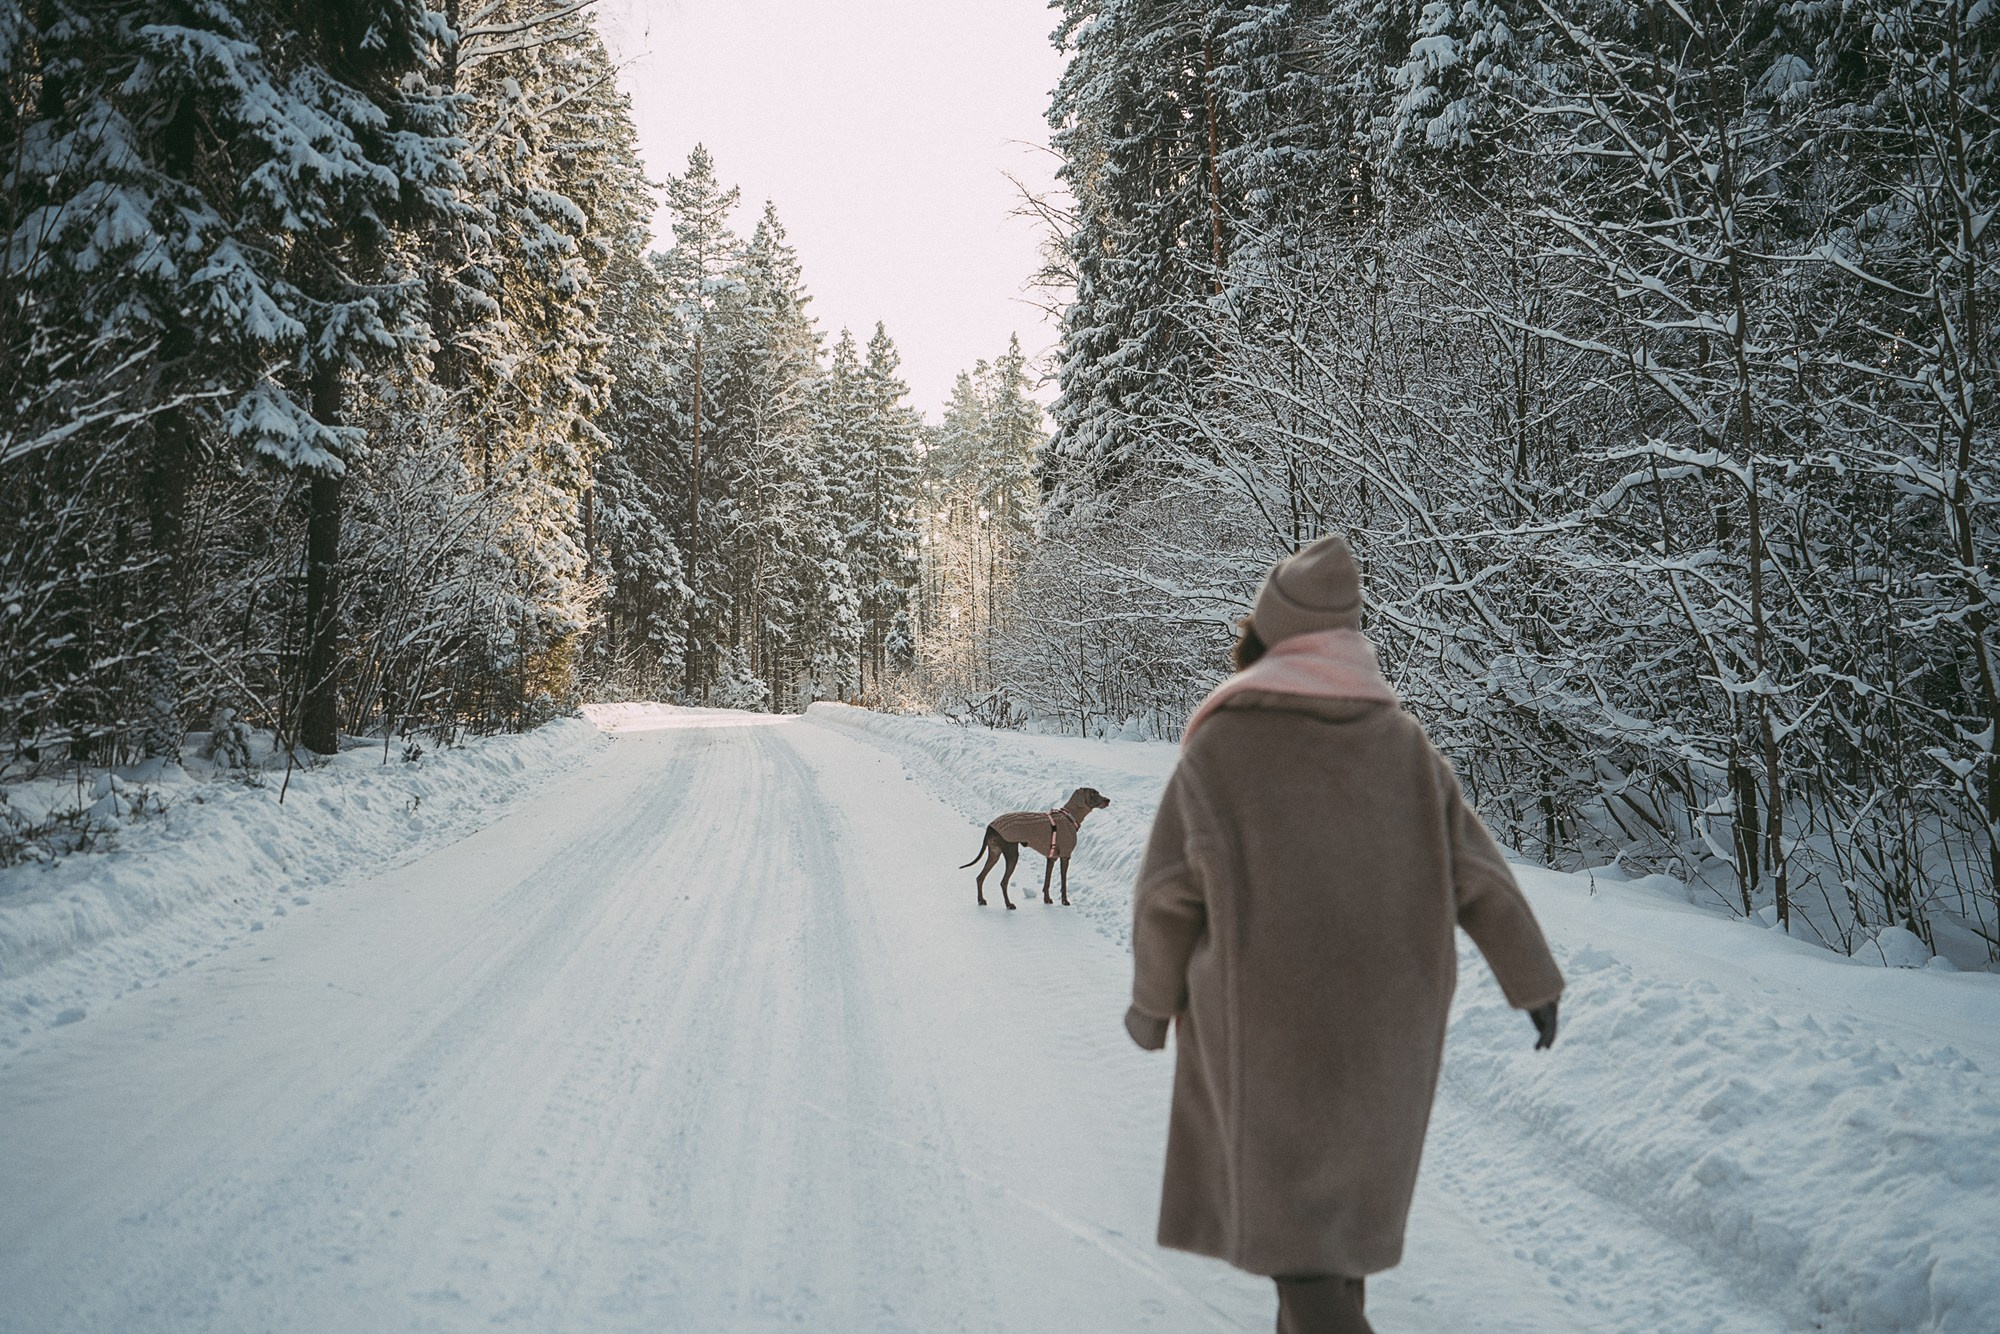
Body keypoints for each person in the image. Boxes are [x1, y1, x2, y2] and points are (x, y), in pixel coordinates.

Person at [1123, 534, 1564, 1334]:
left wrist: (1151, 1010)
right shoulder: (1403, 746)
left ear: (1270, 635)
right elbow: (1481, 877)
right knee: (1335, 1248)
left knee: (1302, 1261)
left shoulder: (1225, 745)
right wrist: (1534, 984)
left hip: (1267, 1036)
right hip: (1390, 1033)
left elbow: (1165, 896)